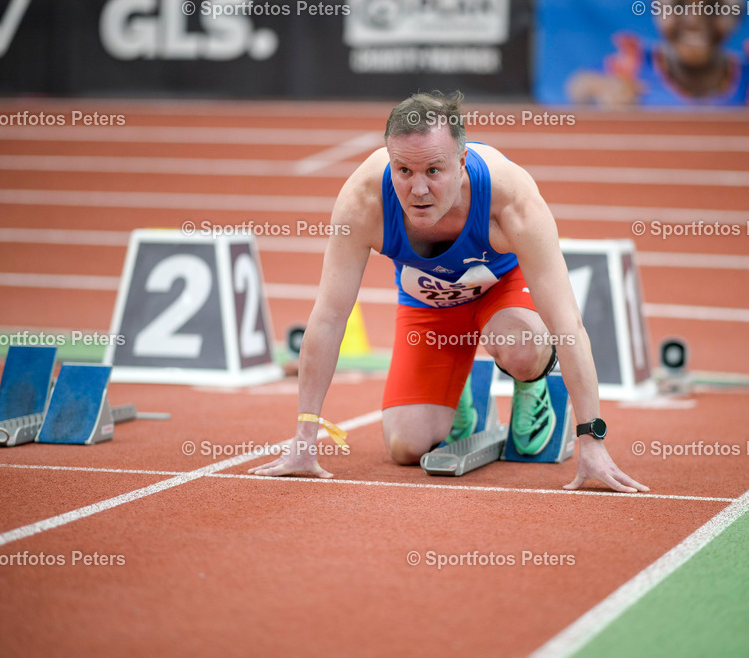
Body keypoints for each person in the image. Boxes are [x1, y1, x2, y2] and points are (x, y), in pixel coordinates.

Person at [249, 91, 648, 493]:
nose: (418, 190)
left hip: (501, 293)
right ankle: (465, 398)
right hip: (429, 305)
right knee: (406, 446)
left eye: (433, 172)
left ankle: (533, 384)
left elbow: (567, 323)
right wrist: (305, 437)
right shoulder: (363, 202)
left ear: (461, 164)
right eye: (403, 170)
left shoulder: (510, 199)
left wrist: (591, 441)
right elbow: (330, 316)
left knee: (521, 348)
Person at [567, 0, 749, 108]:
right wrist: (604, 88)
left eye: (714, 5)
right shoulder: (633, 65)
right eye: (678, 4)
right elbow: (577, 85)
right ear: (656, 6)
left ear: (738, 12)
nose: (694, 18)